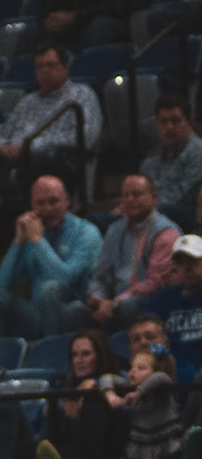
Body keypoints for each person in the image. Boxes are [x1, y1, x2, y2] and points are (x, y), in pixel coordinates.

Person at [0, 172, 103, 340]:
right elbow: (3, 283)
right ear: (32, 205)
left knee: (50, 289)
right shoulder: (33, 233)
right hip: (37, 313)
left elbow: (66, 278)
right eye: (40, 203)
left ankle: (51, 350)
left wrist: (38, 241)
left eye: (53, 201)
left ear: (67, 201)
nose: (47, 209)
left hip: (74, 309)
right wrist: (18, 242)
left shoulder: (86, 232)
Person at [0, 43, 102, 192]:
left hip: (59, 163)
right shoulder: (26, 102)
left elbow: (86, 137)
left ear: (65, 67)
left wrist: (31, 147)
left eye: (51, 65)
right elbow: (0, 137)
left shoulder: (82, 95)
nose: (45, 71)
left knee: (39, 161)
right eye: (40, 66)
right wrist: (2, 148)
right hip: (16, 162)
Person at [86, 175, 180, 329]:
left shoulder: (166, 232)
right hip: (114, 300)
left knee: (130, 306)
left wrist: (116, 302)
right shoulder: (114, 230)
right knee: (80, 310)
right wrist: (97, 298)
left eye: (137, 194)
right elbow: (101, 275)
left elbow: (154, 283)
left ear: (153, 198)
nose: (130, 199)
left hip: (147, 301)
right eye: (125, 195)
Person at [40, 329, 127, 459]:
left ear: (100, 356)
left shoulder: (117, 380)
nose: (78, 361)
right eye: (74, 355)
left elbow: (125, 384)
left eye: (86, 354)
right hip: (65, 447)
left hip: (102, 456)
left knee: (95, 401)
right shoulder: (63, 387)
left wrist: (97, 383)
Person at [106, 347, 184, 459]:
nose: (133, 371)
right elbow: (107, 378)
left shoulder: (162, 389)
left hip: (166, 449)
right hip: (140, 449)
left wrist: (138, 393)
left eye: (141, 368)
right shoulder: (130, 386)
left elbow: (161, 377)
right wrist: (110, 394)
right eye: (132, 367)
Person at [143, 96, 202, 232]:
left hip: (189, 214)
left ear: (189, 123)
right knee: (99, 218)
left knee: (166, 209)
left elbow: (179, 195)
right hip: (152, 212)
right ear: (156, 125)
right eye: (163, 122)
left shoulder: (198, 152)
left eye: (175, 121)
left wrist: (143, 207)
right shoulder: (151, 158)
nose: (169, 127)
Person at [150, 233, 202, 383]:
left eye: (193, 261)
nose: (187, 268)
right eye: (181, 262)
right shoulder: (160, 300)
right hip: (170, 372)